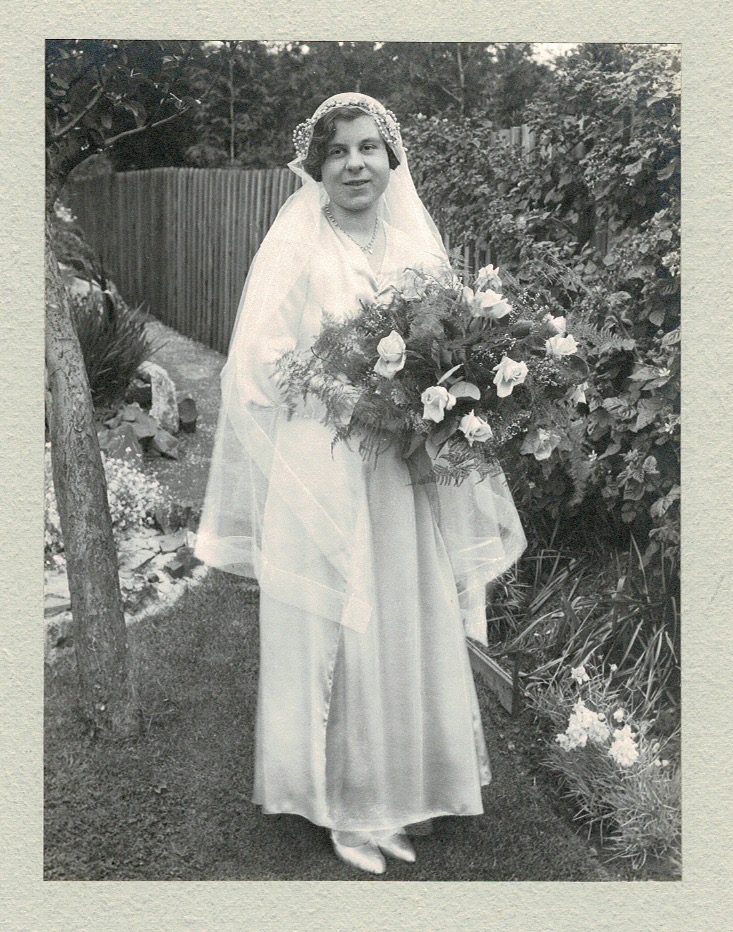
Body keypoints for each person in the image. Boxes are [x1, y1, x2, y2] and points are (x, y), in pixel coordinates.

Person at [194, 93, 526, 876]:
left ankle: (400, 792)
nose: (353, 164)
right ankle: (343, 806)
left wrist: (430, 408)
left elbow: (450, 359)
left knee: (402, 622)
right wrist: (347, 397)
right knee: (336, 625)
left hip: (401, 472)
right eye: (338, 150)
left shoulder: (417, 253)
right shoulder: (298, 248)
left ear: (390, 160)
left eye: (369, 148)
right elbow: (259, 359)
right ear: (317, 166)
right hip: (325, 461)